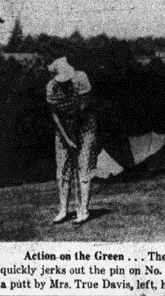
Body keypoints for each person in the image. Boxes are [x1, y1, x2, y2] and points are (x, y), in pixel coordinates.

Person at [46, 56, 97, 224]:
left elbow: (84, 107)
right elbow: (55, 116)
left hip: (84, 125)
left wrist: (75, 136)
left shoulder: (81, 78)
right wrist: (68, 139)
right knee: (63, 168)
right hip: (63, 129)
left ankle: (83, 210)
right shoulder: (51, 88)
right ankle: (63, 210)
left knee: (84, 165)